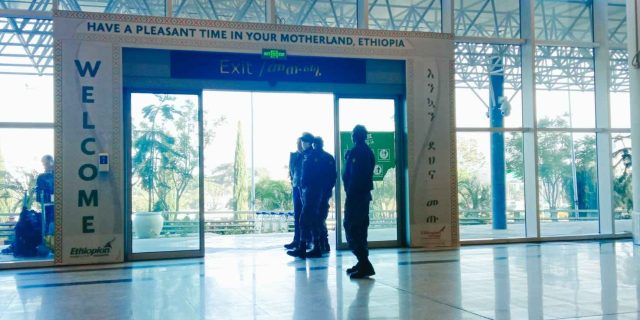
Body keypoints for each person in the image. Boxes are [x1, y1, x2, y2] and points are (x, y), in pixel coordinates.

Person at [342, 125, 376, 278]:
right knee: (360, 229)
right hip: (360, 196)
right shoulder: (366, 151)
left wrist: (350, 191)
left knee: (352, 228)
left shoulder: (359, 152)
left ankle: (364, 263)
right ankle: (362, 262)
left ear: (355, 136)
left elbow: (355, 176)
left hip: (356, 196)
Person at [288, 132, 323, 259]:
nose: (302, 143)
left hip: (311, 192)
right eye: (302, 141)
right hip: (306, 191)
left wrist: (308, 187)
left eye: (305, 141)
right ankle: (314, 247)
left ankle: (304, 247)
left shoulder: (313, 156)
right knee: (310, 220)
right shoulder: (307, 155)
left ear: (310, 142)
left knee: (304, 220)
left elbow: (314, 175)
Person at [313, 136, 336, 253]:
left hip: (317, 193)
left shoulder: (314, 157)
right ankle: (324, 244)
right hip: (325, 193)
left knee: (318, 219)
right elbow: (333, 177)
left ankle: (321, 244)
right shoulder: (329, 157)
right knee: (321, 218)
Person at [284, 137, 304, 250]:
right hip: (296, 187)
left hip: (306, 188)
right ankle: (297, 240)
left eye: (300, 143)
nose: (298, 145)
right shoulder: (294, 156)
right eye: (297, 143)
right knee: (297, 215)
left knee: (307, 215)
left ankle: (308, 241)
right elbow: (292, 171)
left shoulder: (308, 155)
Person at [36, 155, 54, 236]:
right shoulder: (41, 177)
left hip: (59, 203)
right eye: (43, 164)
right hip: (47, 203)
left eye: (46, 163)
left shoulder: (60, 175)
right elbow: (39, 193)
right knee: (48, 221)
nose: (45, 166)